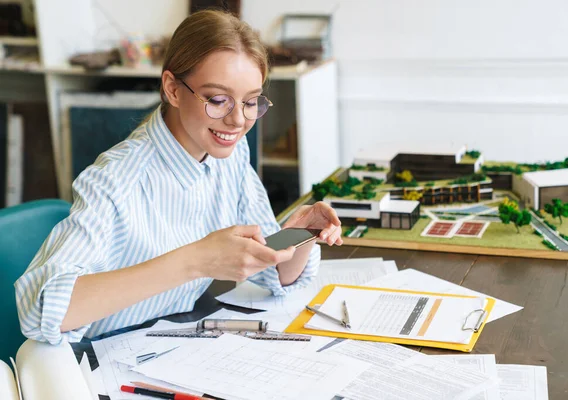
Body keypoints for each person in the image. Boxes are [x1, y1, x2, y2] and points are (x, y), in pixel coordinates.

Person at [14, 9, 342, 345]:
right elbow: (43, 311)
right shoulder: (115, 179)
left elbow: (274, 275)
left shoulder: (229, 155)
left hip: (175, 341)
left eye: (251, 101)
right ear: (172, 89)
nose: (238, 121)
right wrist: (196, 260)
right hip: (103, 357)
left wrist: (301, 235)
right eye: (218, 100)